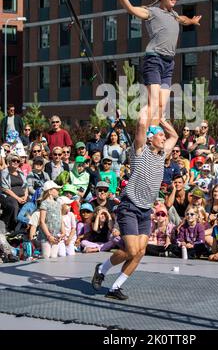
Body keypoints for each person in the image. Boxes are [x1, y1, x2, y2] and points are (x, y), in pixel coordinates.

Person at [91, 105, 178, 300]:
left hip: (146, 211)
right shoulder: (139, 151)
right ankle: (102, 268)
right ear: (150, 138)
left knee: (139, 252)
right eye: (160, 135)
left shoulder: (162, 154)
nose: (164, 138)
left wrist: (162, 119)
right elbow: (140, 124)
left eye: (163, 136)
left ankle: (115, 288)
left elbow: (175, 137)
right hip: (129, 206)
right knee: (130, 250)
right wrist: (149, 105)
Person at [104, 0, 202, 126]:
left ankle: (153, 132)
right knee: (154, 103)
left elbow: (183, 19)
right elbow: (130, 8)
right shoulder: (151, 12)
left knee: (162, 106)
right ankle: (143, 131)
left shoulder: (174, 15)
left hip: (169, 63)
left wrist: (192, 21)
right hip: (154, 60)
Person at [0, 154, 28, 231]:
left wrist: (25, 196)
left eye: (18, 161)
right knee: (14, 206)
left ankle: (27, 226)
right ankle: (10, 227)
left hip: (22, 196)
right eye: (13, 160)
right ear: (9, 161)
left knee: (30, 205)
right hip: (9, 196)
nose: (16, 162)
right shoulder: (4, 173)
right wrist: (18, 198)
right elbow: (5, 189)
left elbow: (26, 186)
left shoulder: (20, 172)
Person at [38, 180, 64, 259]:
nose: (58, 191)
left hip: (56, 235)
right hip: (46, 236)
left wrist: (63, 232)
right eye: (56, 189)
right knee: (46, 256)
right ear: (50, 191)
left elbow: (60, 219)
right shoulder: (44, 203)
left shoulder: (58, 204)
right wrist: (49, 236)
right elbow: (42, 221)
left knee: (54, 256)